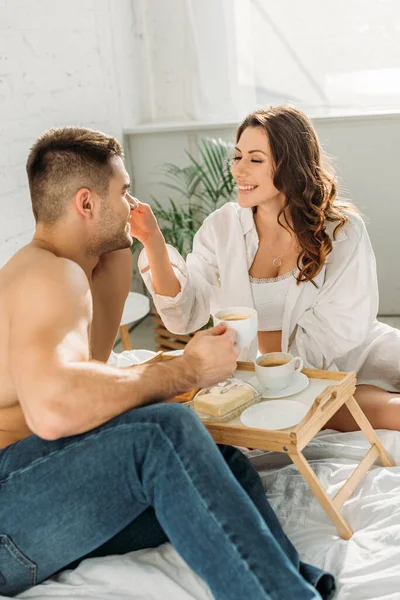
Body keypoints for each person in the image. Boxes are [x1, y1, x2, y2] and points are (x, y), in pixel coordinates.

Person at [0, 126, 335, 599]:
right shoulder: (46, 276)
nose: (133, 203)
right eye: (124, 191)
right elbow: (54, 411)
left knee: (225, 466)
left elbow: (87, 377)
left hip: (39, 504)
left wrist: (118, 252)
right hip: (9, 511)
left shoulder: (74, 270)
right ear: (86, 204)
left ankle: (298, 587)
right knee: (164, 430)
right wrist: (186, 370)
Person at [135, 105, 400, 432]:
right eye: (237, 157)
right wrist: (153, 241)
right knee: (383, 412)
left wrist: (242, 343)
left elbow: (341, 331)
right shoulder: (222, 228)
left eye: (255, 160)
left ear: (291, 165)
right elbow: (184, 314)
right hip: (278, 378)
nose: (238, 171)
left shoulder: (342, 232)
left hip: (351, 353)